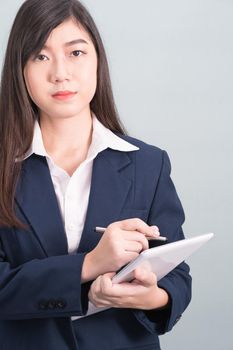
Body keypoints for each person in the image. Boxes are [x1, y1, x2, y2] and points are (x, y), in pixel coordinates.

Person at [0, 0, 192, 349]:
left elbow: (177, 276)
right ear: (19, 69)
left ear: (97, 60)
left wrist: (149, 297)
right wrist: (89, 265)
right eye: (40, 56)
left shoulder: (148, 163)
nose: (60, 72)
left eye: (76, 53)